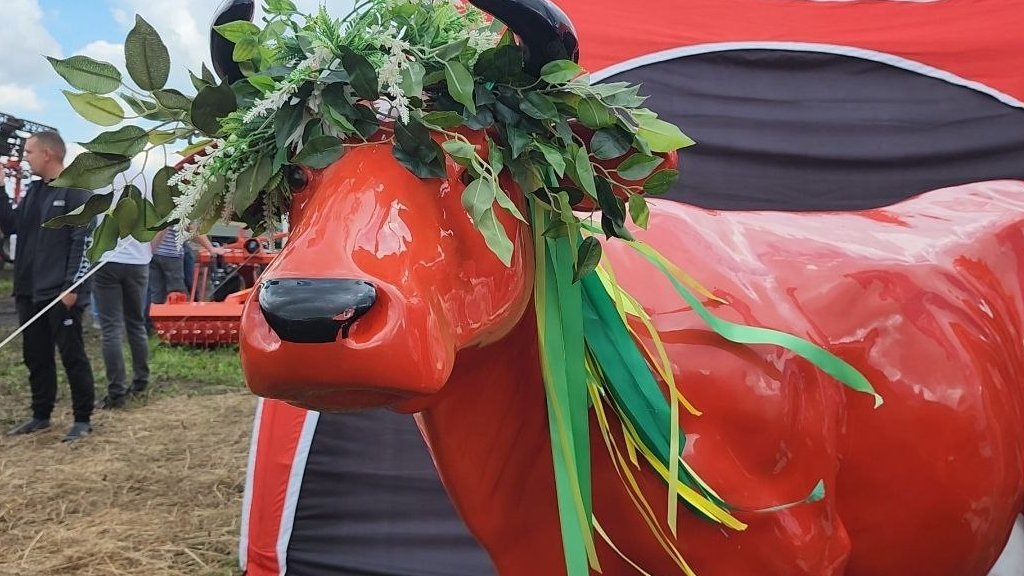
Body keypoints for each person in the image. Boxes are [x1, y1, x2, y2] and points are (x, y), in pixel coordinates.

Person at [0, 131, 95, 442]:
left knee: (72, 355)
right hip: (28, 289)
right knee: (36, 355)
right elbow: (12, 225)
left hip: (59, 292)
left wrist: (72, 286)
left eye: (29, 152)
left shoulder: (76, 190)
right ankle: (41, 415)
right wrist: (0, 190)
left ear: (48, 154)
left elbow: (83, 241)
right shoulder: (35, 190)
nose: (25, 158)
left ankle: (82, 419)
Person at [93, 206, 151, 409]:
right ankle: (141, 380)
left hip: (106, 259)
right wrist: (148, 250)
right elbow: (162, 222)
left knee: (111, 329)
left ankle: (116, 390)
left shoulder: (100, 185)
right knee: (136, 324)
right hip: (138, 260)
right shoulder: (150, 183)